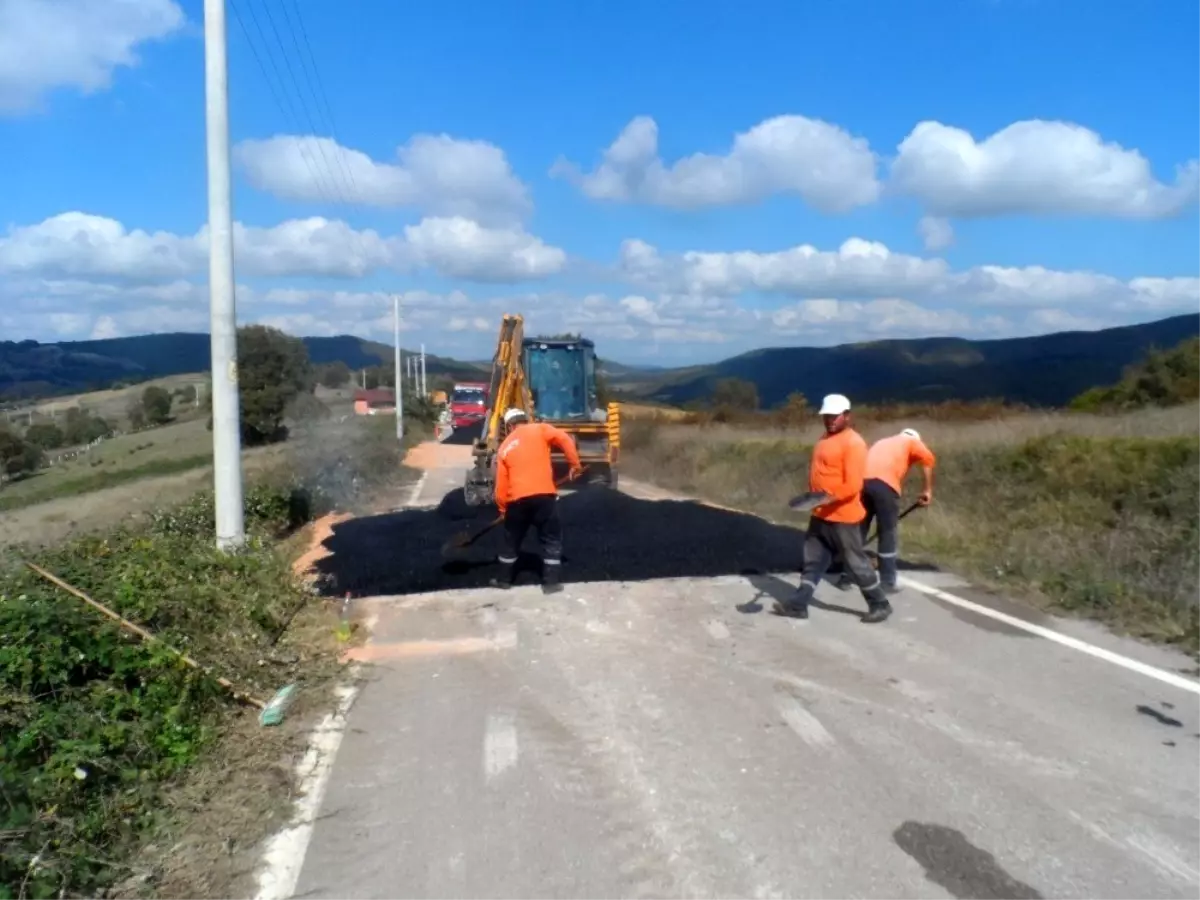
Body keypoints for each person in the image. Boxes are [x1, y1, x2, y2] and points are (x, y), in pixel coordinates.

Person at [773, 393, 892, 624]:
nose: (830, 420)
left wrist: (825, 498)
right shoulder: (825, 439)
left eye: (835, 416)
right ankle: (799, 604)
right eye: (827, 416)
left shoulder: (854, 443)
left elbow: (853, 484)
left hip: (843, 517)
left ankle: (880, 603)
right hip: (821, 514)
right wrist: (812, 499)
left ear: (847, 416)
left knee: (855, 562)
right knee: (813, 560)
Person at [492, 407, 584, 593]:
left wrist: (503, 510)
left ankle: (503, 581)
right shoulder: (540, 429)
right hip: (544, 497)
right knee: (550, 538)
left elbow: (501, 486)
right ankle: (550, 583)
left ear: (509, 426)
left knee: (511, 540)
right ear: (525, 419)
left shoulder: (504, 447)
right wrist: (574, 464)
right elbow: (565, 439)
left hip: (517, 501)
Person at [837, 427, 936, 593]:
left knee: (859, 530)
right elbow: (928, 459)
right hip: (885, 486)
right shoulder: (911, 442)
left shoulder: (882, 442)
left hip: (862, 484)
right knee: (887, 533)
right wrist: (927, 490)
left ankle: (846, 577)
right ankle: (888, 582)